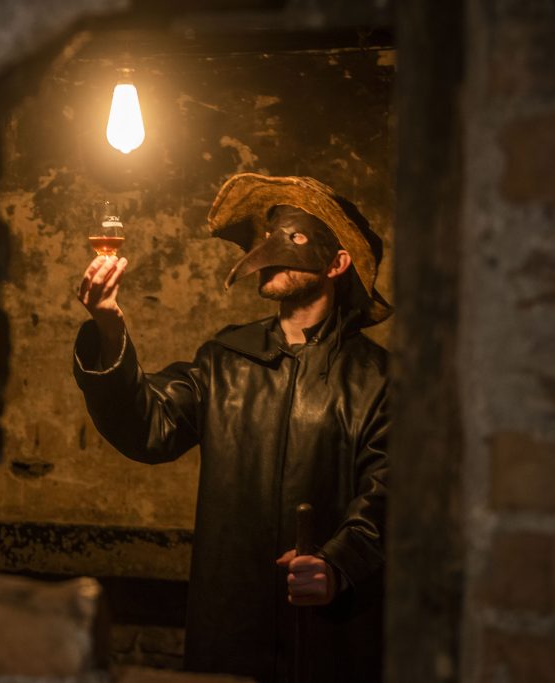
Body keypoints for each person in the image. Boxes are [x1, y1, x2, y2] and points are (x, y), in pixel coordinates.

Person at [72, 174, 391, 683]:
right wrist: (109, 328)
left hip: (332, 640)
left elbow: (391, 494)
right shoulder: (226, 360)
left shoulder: (377, 380)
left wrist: (337, 564)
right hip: (230, 634)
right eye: (269, 238)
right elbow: (148, 427)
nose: (270, 252)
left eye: (296, 239)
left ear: (336, 264)